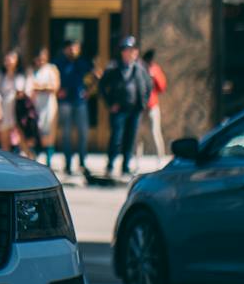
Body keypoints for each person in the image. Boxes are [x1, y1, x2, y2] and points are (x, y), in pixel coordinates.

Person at [98, 36, 152, 180]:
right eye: (127, 50)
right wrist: (110, 103)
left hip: (135, 110)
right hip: (119, 109)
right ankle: (110, 165)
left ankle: (126, 166)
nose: (130, 53)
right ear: (122, 52)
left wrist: (144, 103)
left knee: (130, 138)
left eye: (132, 51)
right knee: (116, 138)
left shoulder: (140, 68)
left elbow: (148, 86)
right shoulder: (113, 68)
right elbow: (102, 86)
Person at [56, 36, 90, 177]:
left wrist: (88, 90)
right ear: (65, 49)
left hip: (80, 102)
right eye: (70, 47)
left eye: (75, 47)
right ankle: (68, 164)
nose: (73, 50)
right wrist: (58, 90)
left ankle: (82, 163)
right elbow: (53, 79)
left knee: (83, 133)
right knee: (67, 135)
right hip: (65, 103)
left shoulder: (83, 63)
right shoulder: (58, 63)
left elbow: (94, 77)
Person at [31, 49, 61, 168]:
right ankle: (36, 158)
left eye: (43, 59)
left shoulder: (51, 69)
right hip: (36, 104)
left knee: (49, 132)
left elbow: (54, 87)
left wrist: (41, 88)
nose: (41, 61)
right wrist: (44, 87)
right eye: (38, 59)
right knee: (37, 131)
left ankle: (49, 160)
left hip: (49, 105)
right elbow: (31, 87)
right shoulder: (33, 70)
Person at [145, 47, 168, 160]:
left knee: (155, 132)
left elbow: (162, 87)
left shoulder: (155, 69)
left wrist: (154, 76)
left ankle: (160, 157)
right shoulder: (139, 68)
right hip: (140, 107)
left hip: (152, 105)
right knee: (137, 135)